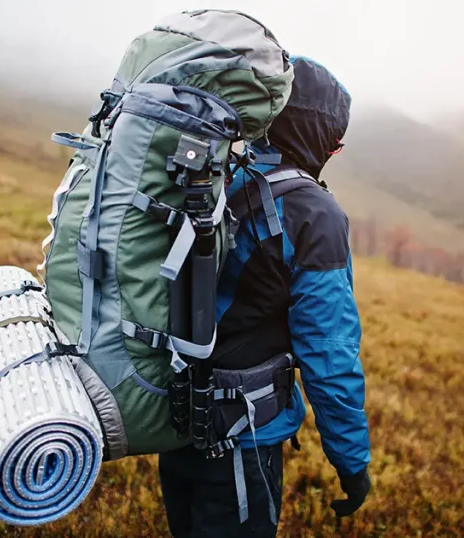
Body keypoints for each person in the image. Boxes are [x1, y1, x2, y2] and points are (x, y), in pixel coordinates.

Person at [158, 55, 372, 537]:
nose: (334, 152)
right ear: (322, 138)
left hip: (175, 415)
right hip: (241, 434)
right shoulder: (313, 214)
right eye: (335, 142)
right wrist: (352, 463)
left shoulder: (216, 174)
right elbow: (329, 354)